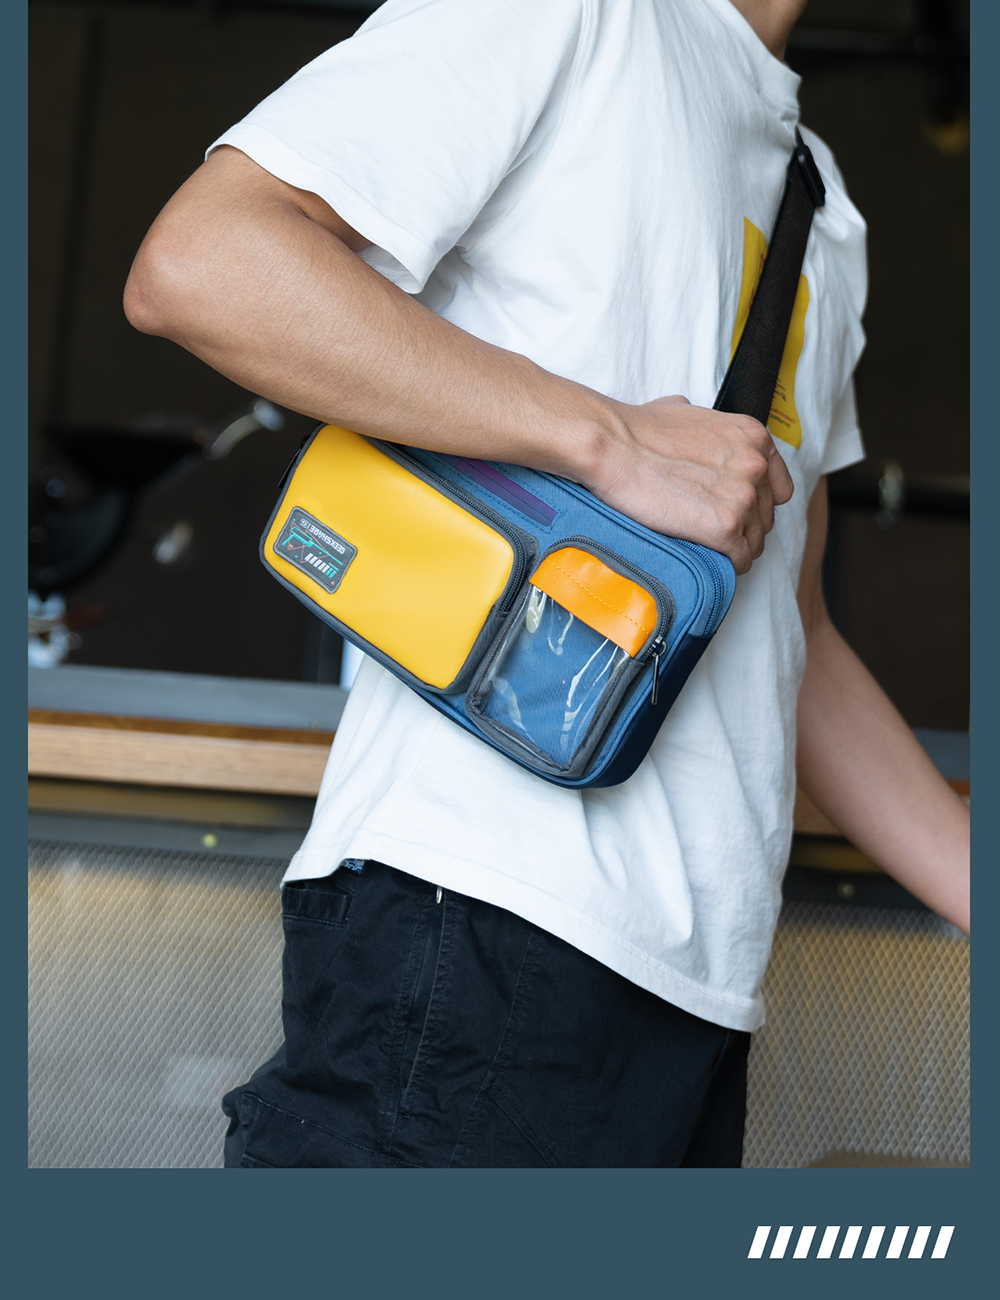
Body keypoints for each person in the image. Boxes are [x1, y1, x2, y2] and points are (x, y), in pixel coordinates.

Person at [124, 0, 970, 1168]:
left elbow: (794, 636)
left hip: (695, 994)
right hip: (479, 916)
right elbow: (204, 261)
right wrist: (607, 439)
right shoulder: (577, 12)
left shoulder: (818, 202)